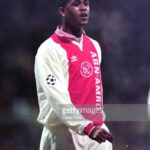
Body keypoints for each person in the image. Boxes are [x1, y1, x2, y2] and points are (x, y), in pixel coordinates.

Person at [34, 0, 113, 150]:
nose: (83, 8)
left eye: (86, 3)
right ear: (62, 11)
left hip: (97, 133)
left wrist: (94, 125)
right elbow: (56, 96)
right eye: (76, 4)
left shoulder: (94, 46)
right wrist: (85, 126)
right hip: (64, 134)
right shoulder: (49, 50)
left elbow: (93, 91)